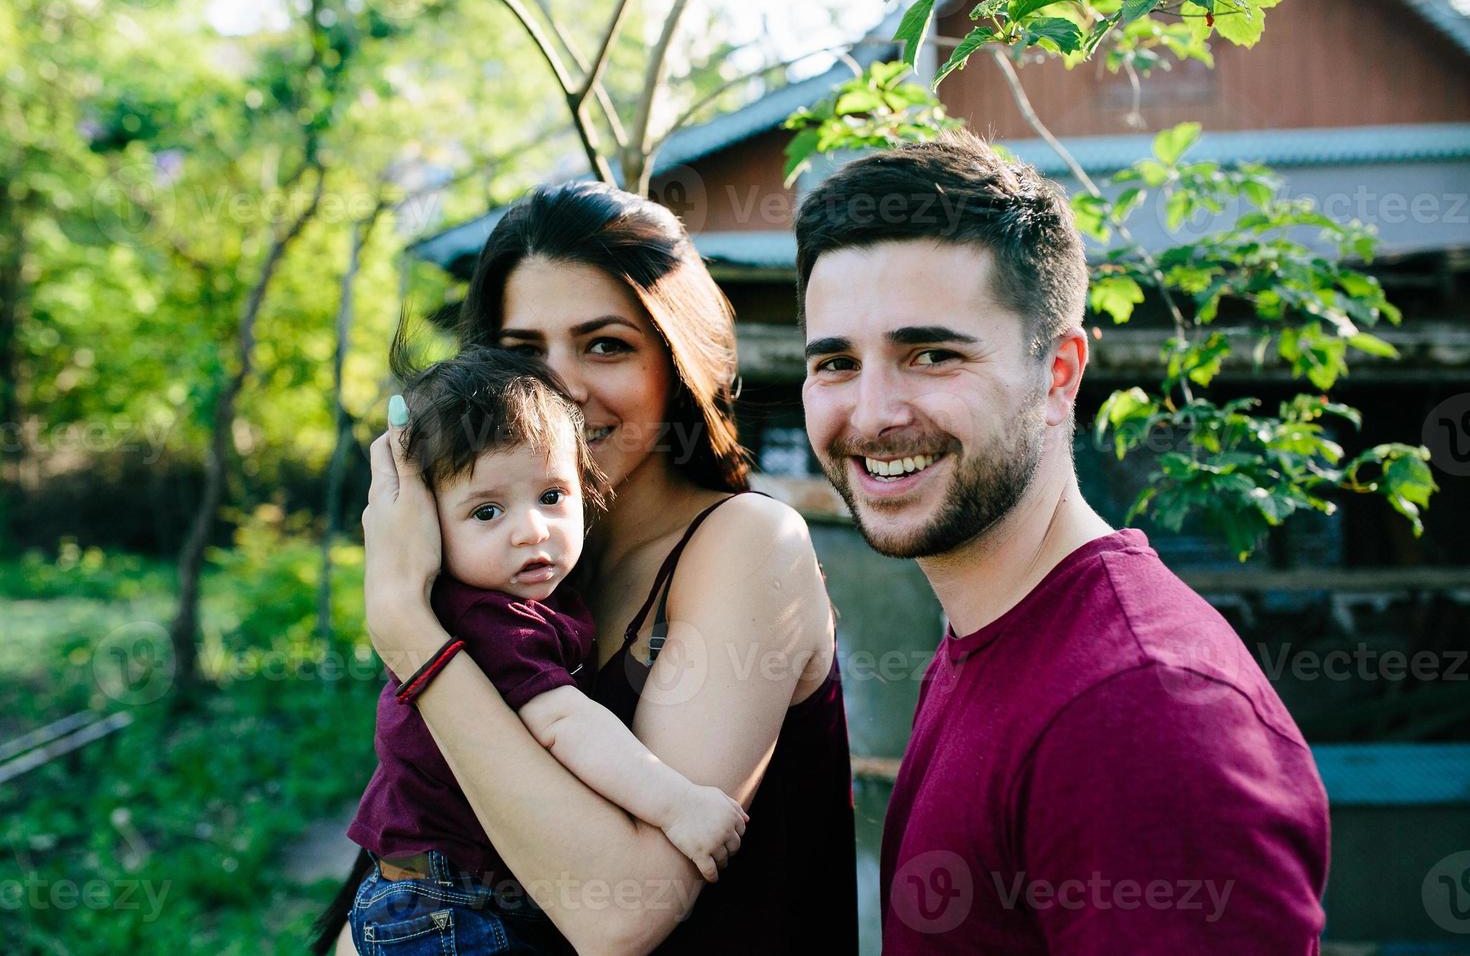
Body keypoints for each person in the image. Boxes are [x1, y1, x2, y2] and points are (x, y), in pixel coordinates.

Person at [795, 131, 1330, 953]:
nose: (870, 414)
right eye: (835, 363)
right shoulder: (993, 637)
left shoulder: (1146, 709)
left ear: (1059, 375)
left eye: (930, 355)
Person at [317, 181, 858, 955]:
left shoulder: (747, 545)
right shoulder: (516, 571)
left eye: (605, 345)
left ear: (677, 363)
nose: (560, 391)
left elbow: (620, 916)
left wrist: (407, 629)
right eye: (522, 353)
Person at [344, 346, 750, 954]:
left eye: (552, 496)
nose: (531, 529)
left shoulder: (526, 604)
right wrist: (679, 805)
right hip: (447, 905)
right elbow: (564, 724)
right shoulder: (487, 619)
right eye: (487, 510)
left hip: (435, 894)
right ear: (424, 524)